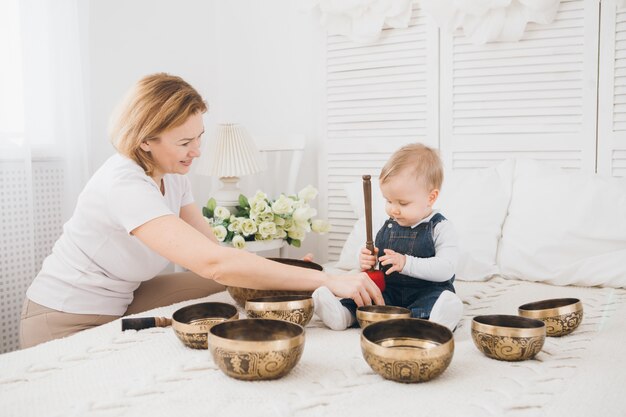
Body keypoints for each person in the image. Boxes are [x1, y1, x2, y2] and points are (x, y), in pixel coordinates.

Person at [20, 73, 383, 348]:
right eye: (184, 142)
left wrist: (287, 272)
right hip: (65, 316)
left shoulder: (172, 175)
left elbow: (217, 254)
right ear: (145, 140)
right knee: (223, 275)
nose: (196, 151)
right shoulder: (124, 183)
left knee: (229, 282)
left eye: (199, 137)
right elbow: (215, 263)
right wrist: (326, 279)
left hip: (124, 296)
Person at [313, 143, 463, 331]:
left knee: (435, 302)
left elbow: (445, 269)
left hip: (426, 291)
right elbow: (374, 264)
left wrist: (406, 263)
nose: (393, 209)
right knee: (363, 299)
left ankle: (441, 318)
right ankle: (343, 314)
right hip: (388, 291)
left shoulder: (440, 228)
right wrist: (365, 260)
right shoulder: (388, 225)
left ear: (431, 198)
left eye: (403, 203)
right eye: (388, 200)